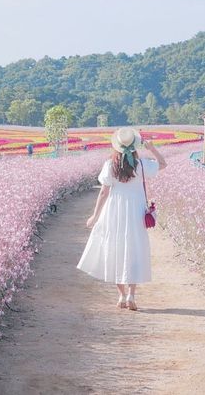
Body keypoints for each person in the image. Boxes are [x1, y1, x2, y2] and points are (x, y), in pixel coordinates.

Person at [77, 126, 167, 310]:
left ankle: (121, 296)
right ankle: (132, 294)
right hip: (135, 210)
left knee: (115, 250)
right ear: (135, 146)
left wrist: (95, 216)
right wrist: (151, 148)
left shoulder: (110, 164)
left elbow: (103, 192)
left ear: (116, 146)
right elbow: (163, 164)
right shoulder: (141, 164)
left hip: (114, 210)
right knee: (133, 249)